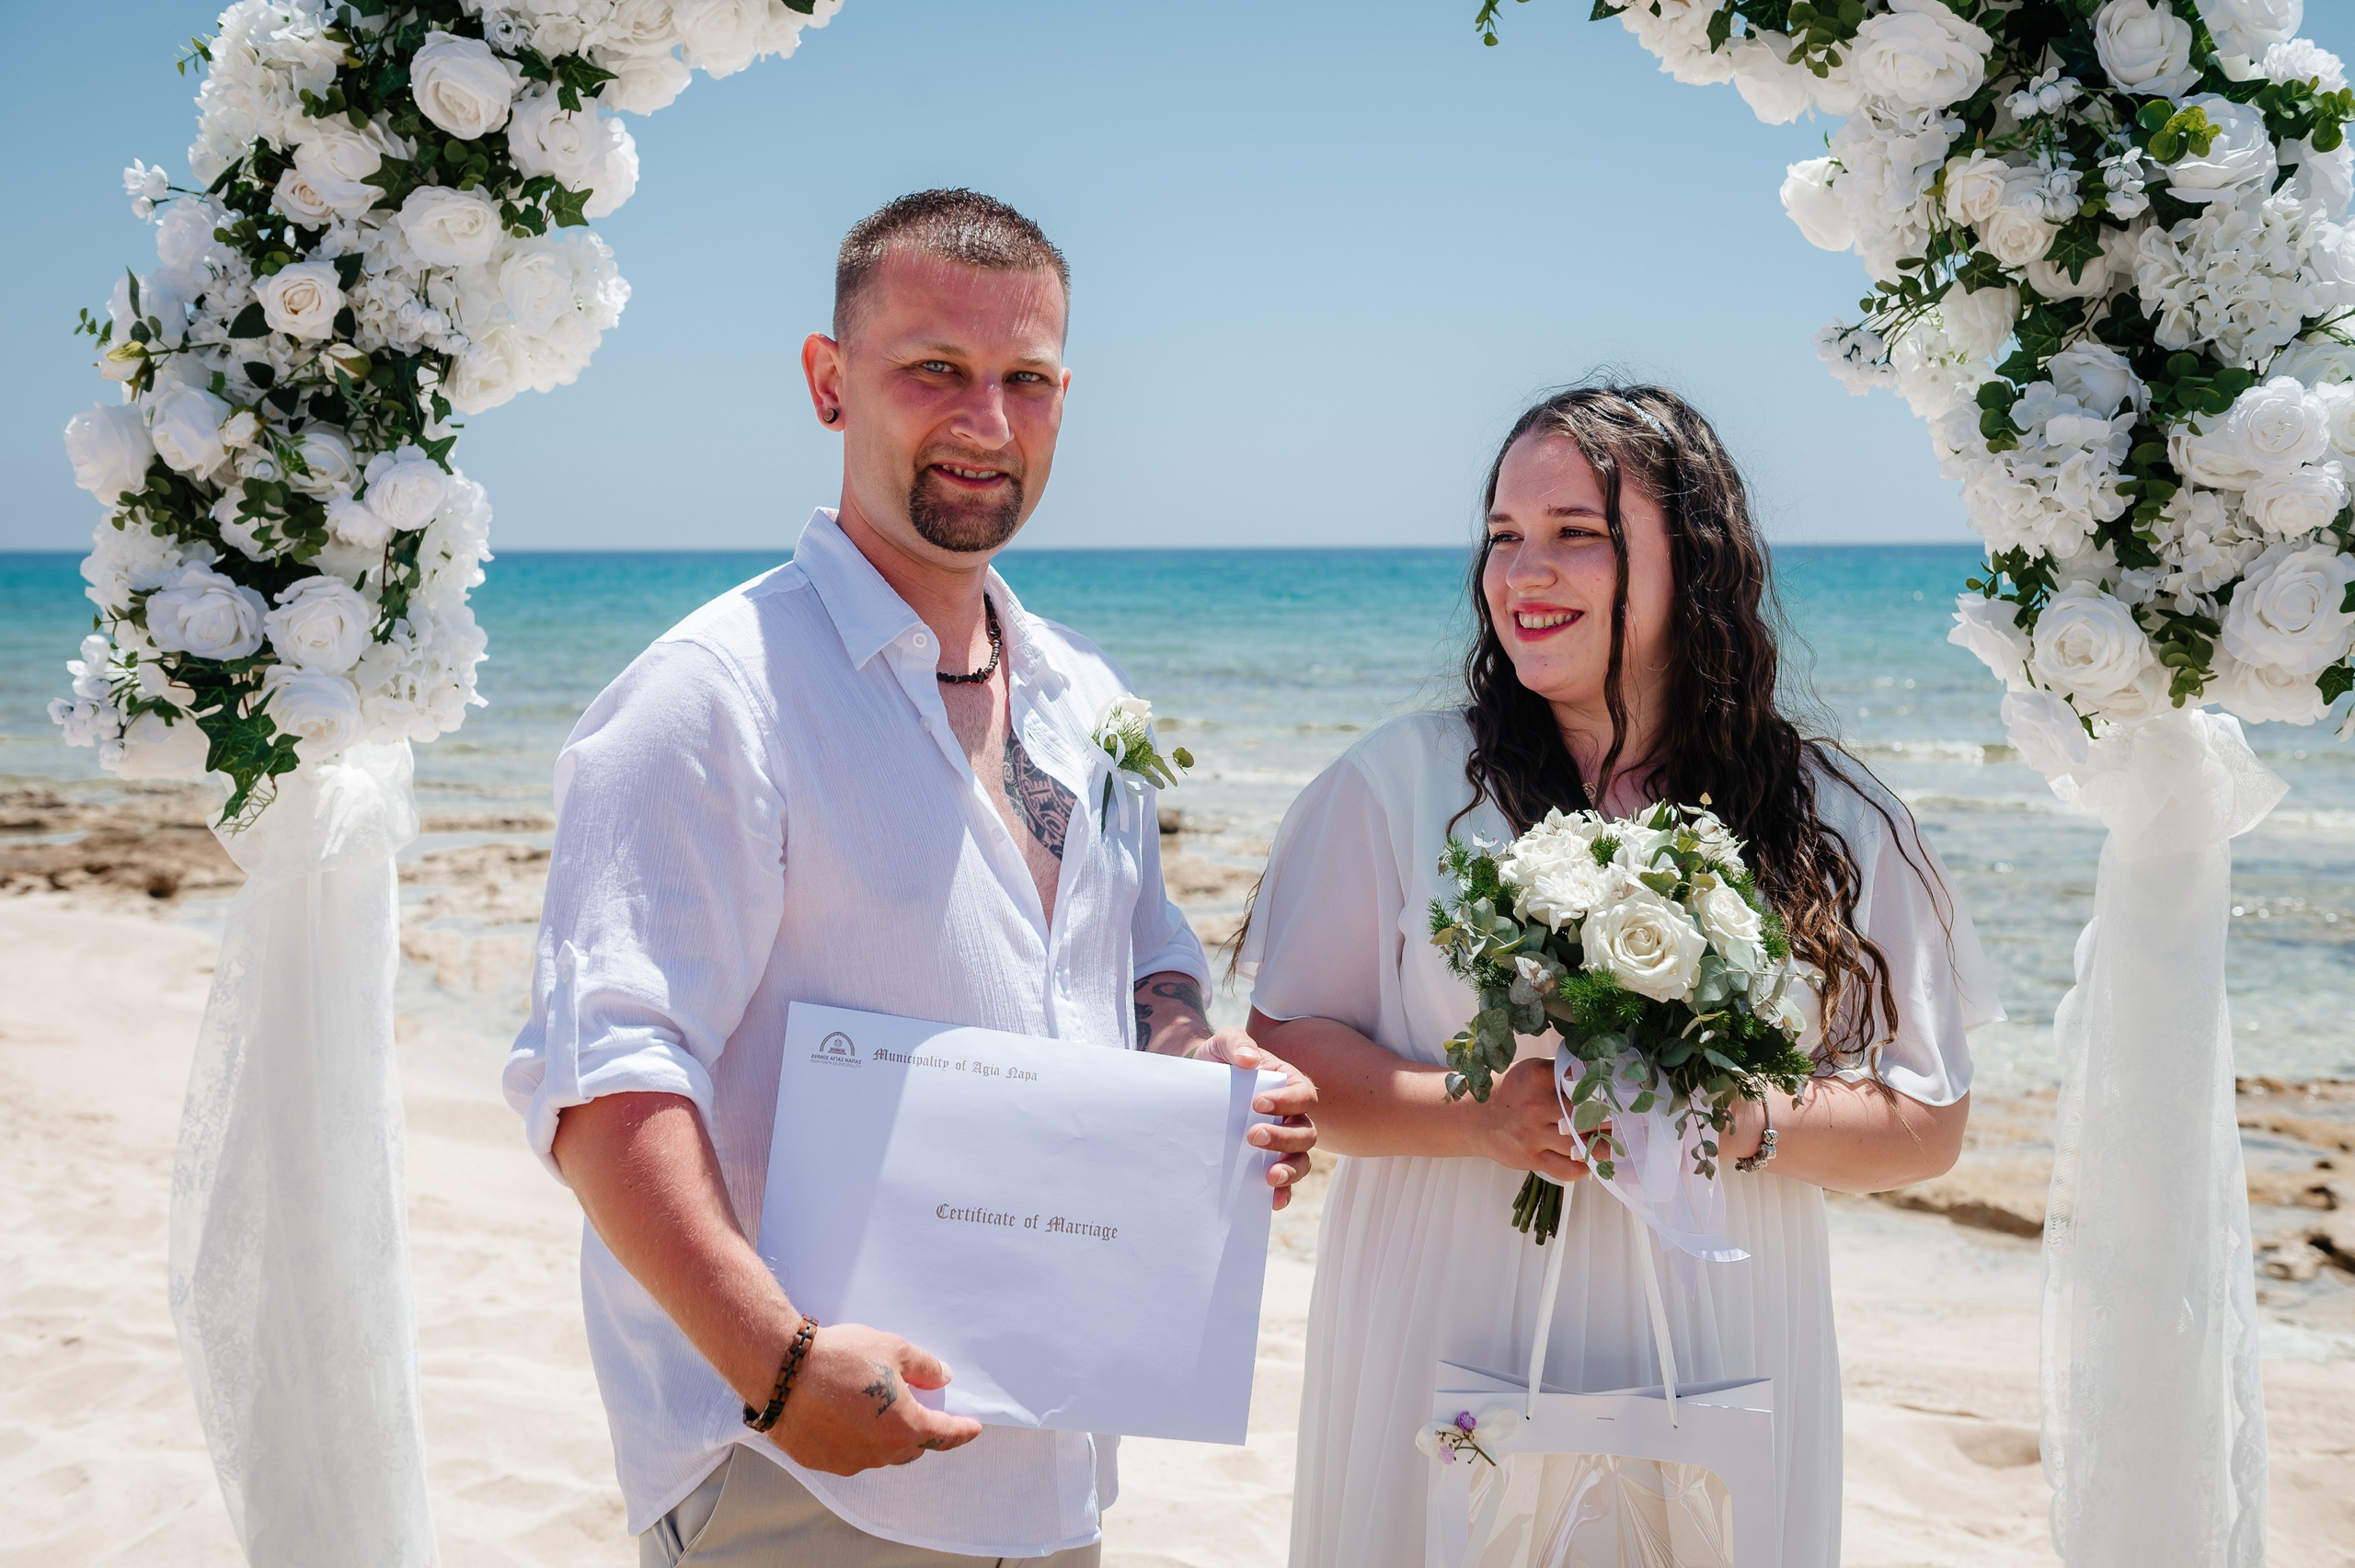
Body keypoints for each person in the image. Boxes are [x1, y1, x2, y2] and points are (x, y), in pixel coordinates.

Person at [501, 189, 1318, 1567]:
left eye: (1027, 380)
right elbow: (601, 1080)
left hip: (1051, 1472)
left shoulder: (1079, 691)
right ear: (831, 384)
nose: (986, 422)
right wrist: (777, 1366)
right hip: (802, 1480)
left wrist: (1202, 1066)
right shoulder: (712, 698)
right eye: (934, 369)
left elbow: (1143, 966)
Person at [1239, 384, 2002, 1567]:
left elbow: (1927, 1123)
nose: (1520, 574)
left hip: (1721, 1335)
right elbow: (1285, 1059)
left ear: (1691, 560)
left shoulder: (1836, 820)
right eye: (1501, 537)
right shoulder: (1395, 785)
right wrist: (1478, 1115)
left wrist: (1734, 1119)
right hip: (1451, 1309)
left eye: (1574, 533)